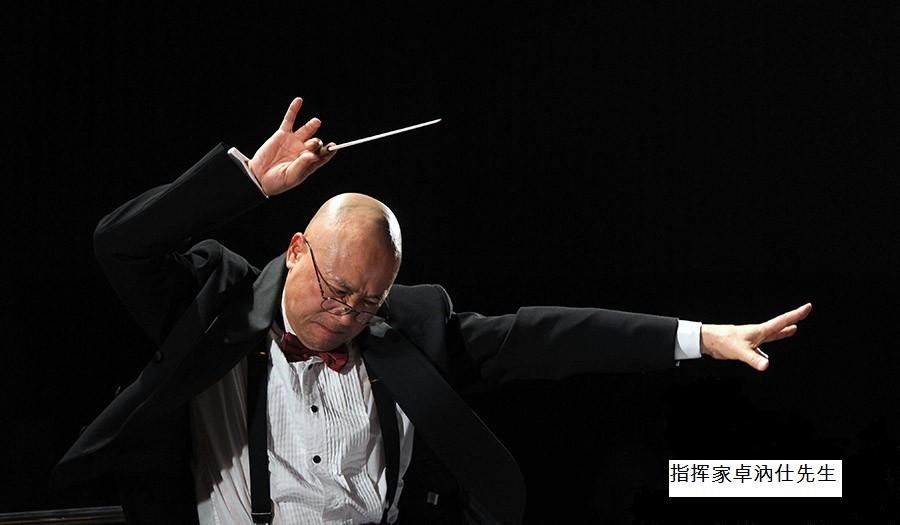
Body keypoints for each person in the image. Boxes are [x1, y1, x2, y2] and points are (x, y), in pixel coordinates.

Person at [52, 98, 812, 524]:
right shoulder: (214, 300)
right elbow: (119, 244)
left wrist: (702, 337)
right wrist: (248, 182)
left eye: (367, 302)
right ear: (295, 249)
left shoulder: (412, 330)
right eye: (334, 290)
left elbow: (547, 336)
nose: (345, 315)